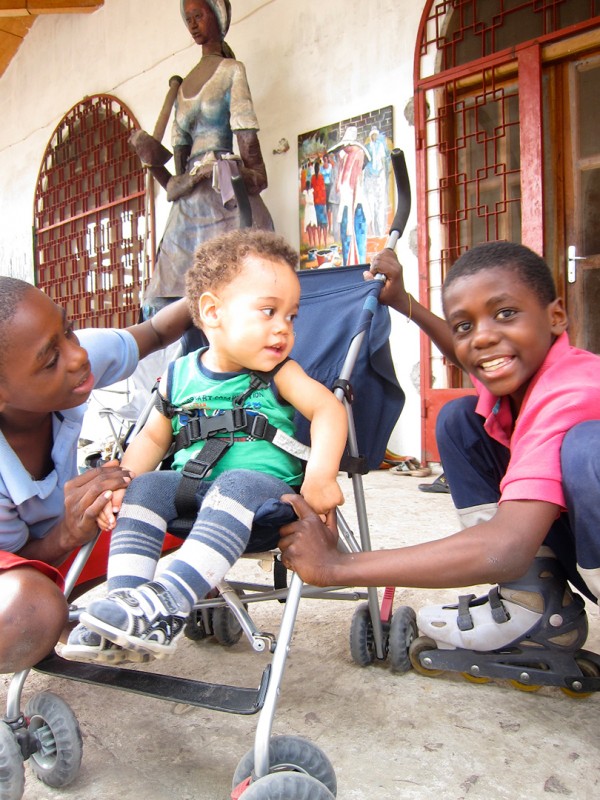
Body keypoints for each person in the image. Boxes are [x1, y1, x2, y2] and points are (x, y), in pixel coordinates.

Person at [278, 241, 600, 655]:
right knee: (461, 420)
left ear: (555, 317)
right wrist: (402, 301)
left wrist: (339, 567)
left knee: (586, 450)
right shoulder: (524, 369)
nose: (482, 338)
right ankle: (534, 600)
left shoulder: (572, 389)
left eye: (505, 313)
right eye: (465, 325)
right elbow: (473, 350)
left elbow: (505, 547)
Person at [63, 229, 347, 663]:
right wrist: (121, 484)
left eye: (291, 316)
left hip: (263, 495)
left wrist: (322, 475)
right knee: (144, 488)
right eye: (268, 311)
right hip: (196, 493)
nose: (283, 328)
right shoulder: (178, 375)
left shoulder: (282, 374)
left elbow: (328, 411)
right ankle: (124, 611)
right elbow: (153, 438)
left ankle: (168, 600)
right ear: (213, 312)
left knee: (233, 481)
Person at [0, 278, 193, 674]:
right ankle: (48, 621)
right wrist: (67, 534)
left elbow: (156, 330)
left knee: (173, 508)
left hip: (42, 549)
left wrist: (216, 291)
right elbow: (16, 559)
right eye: (50, 360)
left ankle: (61, 615)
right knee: (31, 609)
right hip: (15, 568)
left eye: (68, 330)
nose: (76, 356)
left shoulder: (71, 358)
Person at [130, 0, 273, 314]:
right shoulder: (180, 88)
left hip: (224, 190)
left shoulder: (232, 70)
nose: (193, 24)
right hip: (190, 198)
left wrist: (248, 175)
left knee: (241, 290)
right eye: (188, 18)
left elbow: (250, 150)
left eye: (199, 15)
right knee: (161, 297)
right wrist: (153, 163)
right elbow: (175, 176)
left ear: (218, 17)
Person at [328, 126, 370, 266]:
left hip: (357, 206)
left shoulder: (358, 155)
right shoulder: (343, 157)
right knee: (346, 239)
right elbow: (340, 184)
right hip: (346, 205)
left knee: (358, 239)